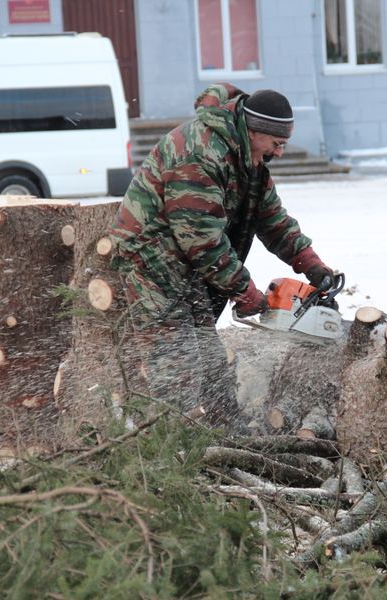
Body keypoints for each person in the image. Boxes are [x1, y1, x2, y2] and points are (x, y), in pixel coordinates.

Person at [109, 83, 335, 431]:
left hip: (188, 265)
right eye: (277, 144)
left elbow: (272, 219)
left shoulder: (250, 160)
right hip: (151, 261)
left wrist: (311, 263)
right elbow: (200, 238)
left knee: (211, 360)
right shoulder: (200, 153)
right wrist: (244, 290)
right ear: (256, 131)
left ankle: (228, 434)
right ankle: (171, 449)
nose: (280, 153)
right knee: (176, 365)